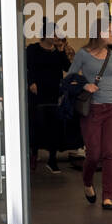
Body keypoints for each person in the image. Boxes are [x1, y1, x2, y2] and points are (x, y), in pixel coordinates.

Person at [69, 18, 112, 210]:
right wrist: (84, 84)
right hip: (92, 109)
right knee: (94, 154)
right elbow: (69, 79)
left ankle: (107, 196)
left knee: (109, 154)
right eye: (111, 31)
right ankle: (87, 182)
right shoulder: (83, 54)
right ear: (100, 33)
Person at [27, 19, 72, 173]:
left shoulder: (57, 52)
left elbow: (68, 68)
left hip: (54, 92)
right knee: (35, 124)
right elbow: (27, 67)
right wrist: (31, 82)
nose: (55, 36)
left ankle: (52, 159)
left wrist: (61, 50)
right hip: (37, 93)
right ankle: (33, 155)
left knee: (54, 125)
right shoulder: (33, 49)